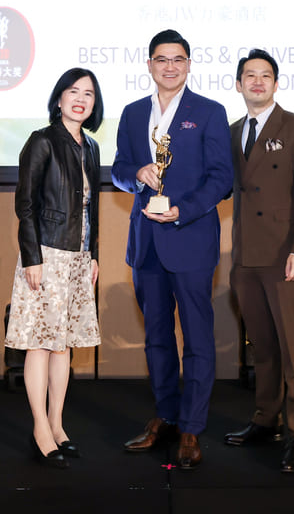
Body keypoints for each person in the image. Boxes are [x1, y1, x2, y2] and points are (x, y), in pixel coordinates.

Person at [112, 30, 234, 469]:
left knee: (197, 338)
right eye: (161, 59)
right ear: (149, 64)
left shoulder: (209, 112)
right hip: (146, 244)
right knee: (157, 339)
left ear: (188, 65)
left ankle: (191, 428)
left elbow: (222, 179)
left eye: (178, 59)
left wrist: (183, 210)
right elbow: (118, 170)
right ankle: (165, 415)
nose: (170, 67)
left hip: (192, 238)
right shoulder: (132, 114)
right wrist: (136, 174)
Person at [224, 48, 294, 473]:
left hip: (284, 255)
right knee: (262, 347)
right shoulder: (231, 132)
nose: (257, 81)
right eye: (250, 75)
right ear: (239, 85)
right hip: (245, 256)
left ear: (276, 83)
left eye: (265, 75)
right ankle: (267, 419)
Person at [5, 68, 103, 468]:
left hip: (78, 258)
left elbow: (91, 209)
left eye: (88, 94)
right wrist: (32, 257)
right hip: (46, 254)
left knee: (63, 344)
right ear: (59, 99)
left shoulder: (91, 147)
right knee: (40, 343)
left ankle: (58, 425)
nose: (80, 99)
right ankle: (40, 429)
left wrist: (93, 254)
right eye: (73, 91)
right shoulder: (42, 141)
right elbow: (25, 203)